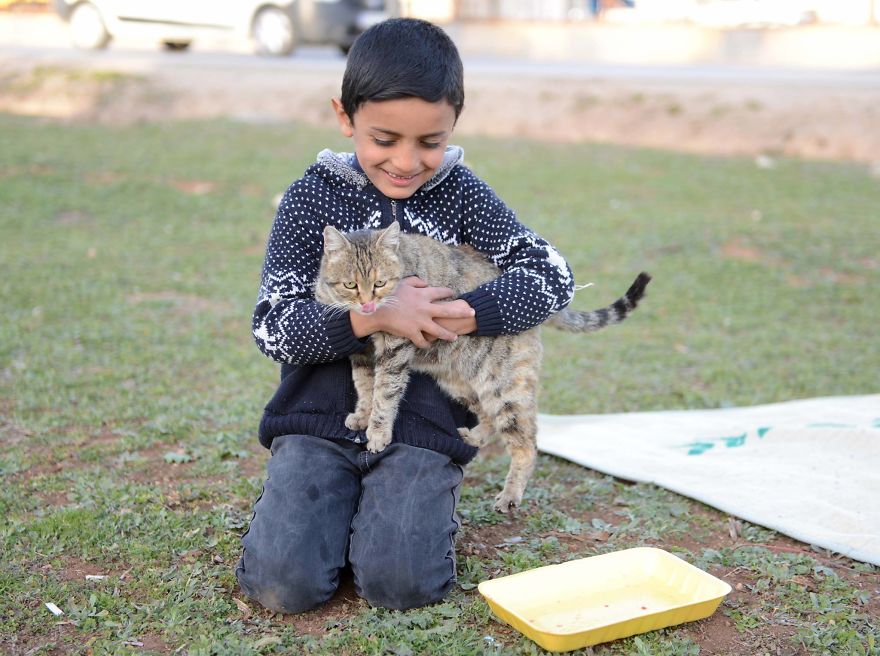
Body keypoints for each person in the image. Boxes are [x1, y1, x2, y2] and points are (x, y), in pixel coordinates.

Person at [235, 17, 575, 614]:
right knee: (281, 586)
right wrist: (373, 317)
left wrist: (464, 312)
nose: (406, 161)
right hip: (318, 419)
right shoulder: (312, 196)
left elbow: (552, 276)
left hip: (423, 426)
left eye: (430, 142)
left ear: (454, 126)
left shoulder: (461, 193)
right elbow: (272, 325)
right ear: (345, 117)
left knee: (402, 586)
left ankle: (397, 507)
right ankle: (328, 510)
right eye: (384, 139)